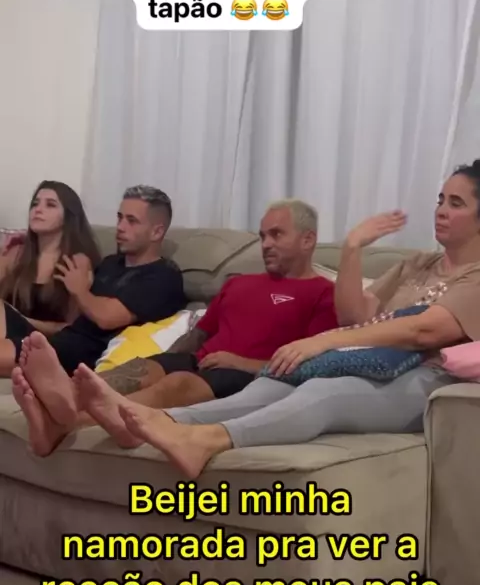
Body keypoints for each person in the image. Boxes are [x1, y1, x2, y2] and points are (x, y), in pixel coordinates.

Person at [32, 159, 479, 477]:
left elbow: (425, 329)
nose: (441, 209)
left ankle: (203, 439)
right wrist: (352, 248)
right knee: (273, 385)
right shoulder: (417, 265)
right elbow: (355, 316)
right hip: (365, 363)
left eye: (456, 203)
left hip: (424, 380)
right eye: (441, 199)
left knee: (322, 390)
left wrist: (321, 342)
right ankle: (113, 417)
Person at [12, 199, 338, 453]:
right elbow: (199, 334)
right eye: (263, 236)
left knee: (178, 383)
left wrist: (241, 362)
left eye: (276, 235)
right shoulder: (239, 283)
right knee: (136, 371)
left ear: (308, 239)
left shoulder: (323, 293)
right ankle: (63, 402)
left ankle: (65, 424)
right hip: (200, 360)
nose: (265, 244)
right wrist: (162, 360)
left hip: (249, 376)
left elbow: (312, 365)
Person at [4, 186, 185, 400]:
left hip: (82, 356)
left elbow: (106, 318)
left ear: (157, 232)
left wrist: (79, 290)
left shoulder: (163, 276)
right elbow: (74, 318)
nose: (120, 227)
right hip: (60, 342)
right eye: (119, 218)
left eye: (132, 221)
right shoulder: (111, 264)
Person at [0, 181, 101, 373]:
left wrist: (21, 319)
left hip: (43, 342)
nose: (38, 210)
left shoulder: (76, 262)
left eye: (50, 205)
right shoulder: (16, 254)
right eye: (35, 204)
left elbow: (72, 329)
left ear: (68, 217)